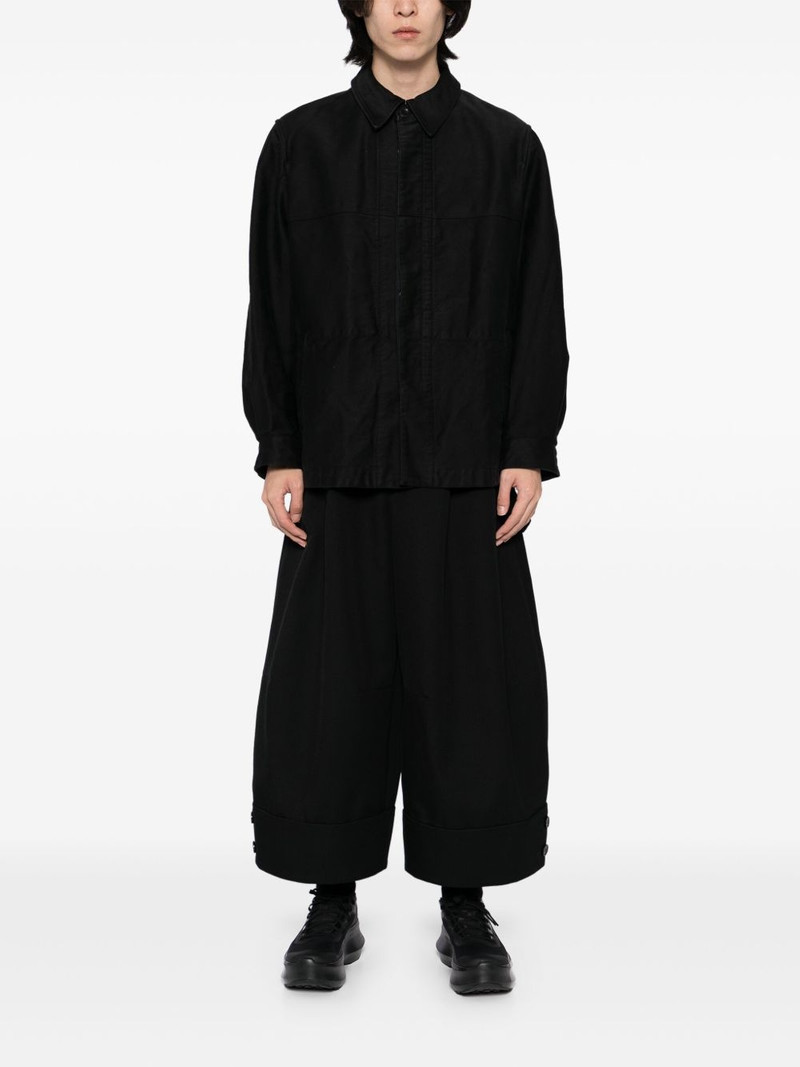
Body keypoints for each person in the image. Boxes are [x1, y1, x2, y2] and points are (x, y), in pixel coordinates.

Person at [241, 0, 569, 996]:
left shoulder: (506, 149)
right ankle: (330, 898)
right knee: (329, 689)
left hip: (466, 465)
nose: (405, 6)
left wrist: (527, 446)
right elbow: (273, 300)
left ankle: (465, 903)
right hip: (335, 462)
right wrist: (279, 446)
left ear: (450, 8)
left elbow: (537, 305)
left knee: (470, 689)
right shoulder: (300, 144)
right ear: (358, 8)